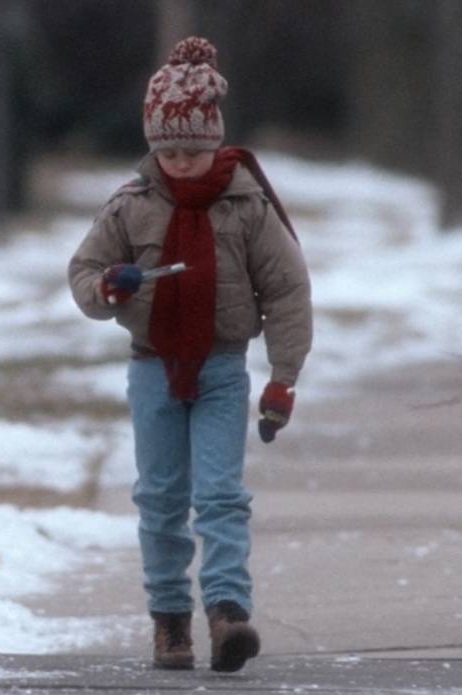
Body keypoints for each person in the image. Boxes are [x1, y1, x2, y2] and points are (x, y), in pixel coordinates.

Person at [68, 36, 312, 673]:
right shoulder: (131, 206)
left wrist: (283, 377)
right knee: (160, 497)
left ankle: (228, 612)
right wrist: (106, 286)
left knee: (222, 493)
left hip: (223, 368)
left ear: (215, 145)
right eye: (167, 151)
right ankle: (169, 621)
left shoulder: (246, 206)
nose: (178, 162)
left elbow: (286, 290)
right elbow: (84, 274)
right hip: (152, 367)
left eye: (192, 151)